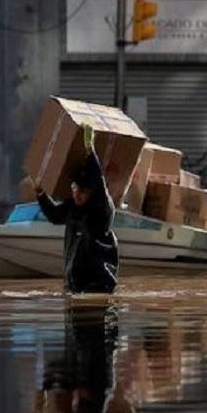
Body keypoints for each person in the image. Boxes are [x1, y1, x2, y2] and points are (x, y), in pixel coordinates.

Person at [31, 124, 119, 293]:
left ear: (92, 192)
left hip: (98, 285)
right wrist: (40, 193)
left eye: (82, 191)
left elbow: (99, 183)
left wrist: (90, 151)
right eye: (74, 189)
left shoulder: (101, 210)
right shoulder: (72, 207)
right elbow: (54, 215)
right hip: (75, 285)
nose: (77, 195)